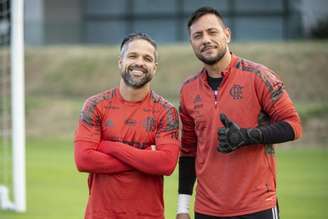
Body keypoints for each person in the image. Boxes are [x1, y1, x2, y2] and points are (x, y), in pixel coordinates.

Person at [176, 7, 302, 219]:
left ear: (227, 34)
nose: (205, 39)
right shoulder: (188, 90)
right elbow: (189, 151)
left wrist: (246, 136)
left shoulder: (258, 76)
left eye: (212, 32)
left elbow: (293, 126)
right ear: (191, 43)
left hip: (257, 206)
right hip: (207, 210)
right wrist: (182, 208)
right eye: (198, 35)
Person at [74, 32, 180, 219]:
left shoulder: (166, 111)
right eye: (133, 56)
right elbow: (83, 160)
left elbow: (166, 164)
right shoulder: (95, 105)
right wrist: (146, 157)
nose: (139, 62)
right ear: (120, 62)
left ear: (154, 68)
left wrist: (109, 146)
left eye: (147, 58)